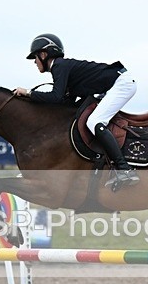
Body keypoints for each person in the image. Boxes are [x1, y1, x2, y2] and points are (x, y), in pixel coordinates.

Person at [14, 33, 140, 188]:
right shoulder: (62, 67)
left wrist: (29, 93)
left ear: (44, 54)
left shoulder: (59, 66)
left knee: (94, 121)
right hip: (114, 84)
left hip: (122, 83)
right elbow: (66, 102)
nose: (34, 62)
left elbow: (56, 97)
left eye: (35, 57)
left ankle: (124, 169)